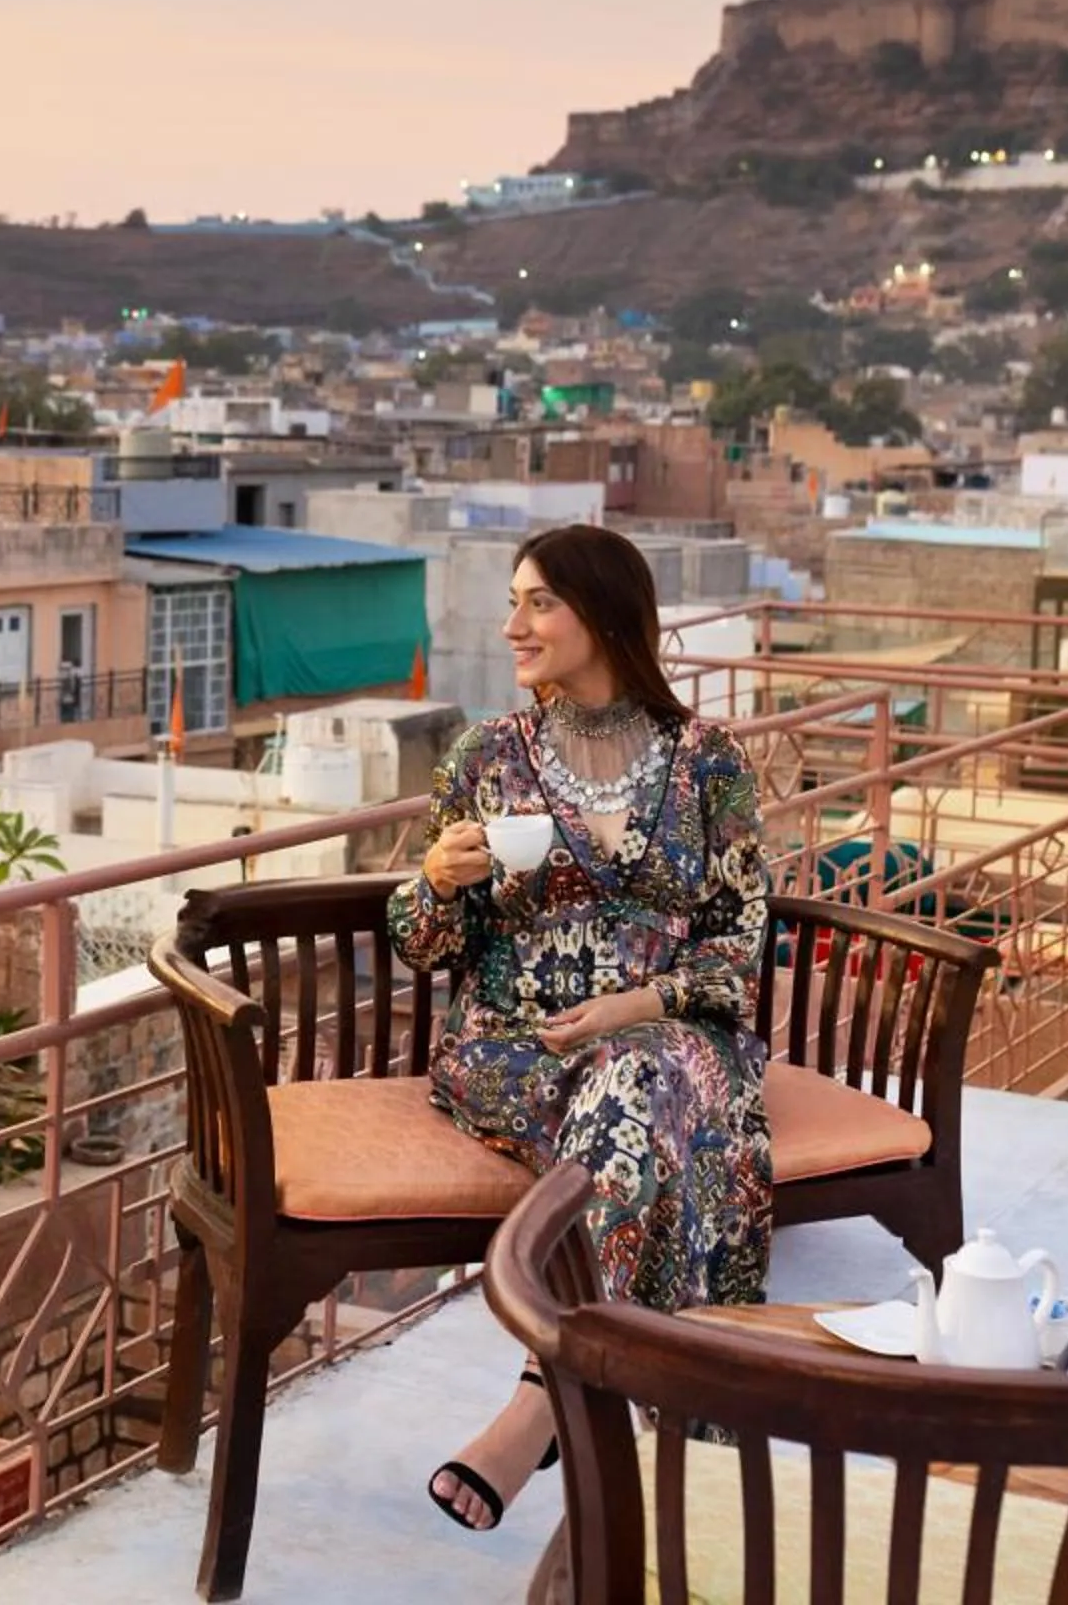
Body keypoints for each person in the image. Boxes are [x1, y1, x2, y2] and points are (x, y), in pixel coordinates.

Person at [390, 523, 772, 1532]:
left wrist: (636, 1005)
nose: (512, 624)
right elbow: (422, 942)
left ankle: (543, 1397)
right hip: (516, 1049)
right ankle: (641, 1445)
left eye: (539, 602)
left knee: (645, 1078)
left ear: (604, 612)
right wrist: (434, 880)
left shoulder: (709, 764)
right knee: (653, 1100)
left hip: (667, 1032)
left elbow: (740, 948)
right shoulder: (487, 757)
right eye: (513, 600)